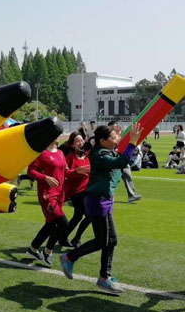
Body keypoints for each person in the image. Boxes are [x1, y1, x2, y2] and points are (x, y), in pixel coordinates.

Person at [60, 123, 143, 296]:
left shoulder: (107, 151)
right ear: (102, 141)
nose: (116, 139)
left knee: (112, 240)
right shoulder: (100, 154)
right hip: (97, 202)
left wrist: (119, 140)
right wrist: (132, 142)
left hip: (105, 201)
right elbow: (122, 161)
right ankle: (69, 257)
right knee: (101, 241)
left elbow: (120, 157)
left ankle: (105, 277)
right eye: (112, 137)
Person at [25, 139, 68, 267]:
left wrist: (77, 171)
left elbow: (65, 172)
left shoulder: (60, 153)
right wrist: (45, 177)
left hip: (60, 194)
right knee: (64, 224)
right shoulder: (41, 153)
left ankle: (33, 249)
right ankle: (48, 251)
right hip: (47, 195)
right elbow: (30, 171)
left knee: (51, 224)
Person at [59, 132, 91, 248]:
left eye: (81, 140)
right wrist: (76, 171)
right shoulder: (70, 157)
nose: (80, 143)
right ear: (72, 145)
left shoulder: (87, 155)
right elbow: (65, 173)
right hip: (76, 192)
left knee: (79, 216)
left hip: (87, 190)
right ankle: (75, 239)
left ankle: (64, 237)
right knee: (88, 216)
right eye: (77, 141)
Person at [107, 121, 141, 203]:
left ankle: (132, 195)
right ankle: (109, 195)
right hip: (111, 160)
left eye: (115, 127)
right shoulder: (106, 137)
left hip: (122, 158)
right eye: (112, 127)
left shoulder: (120, 135)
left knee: (127, 175)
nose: (114, 129)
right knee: (111, 178)